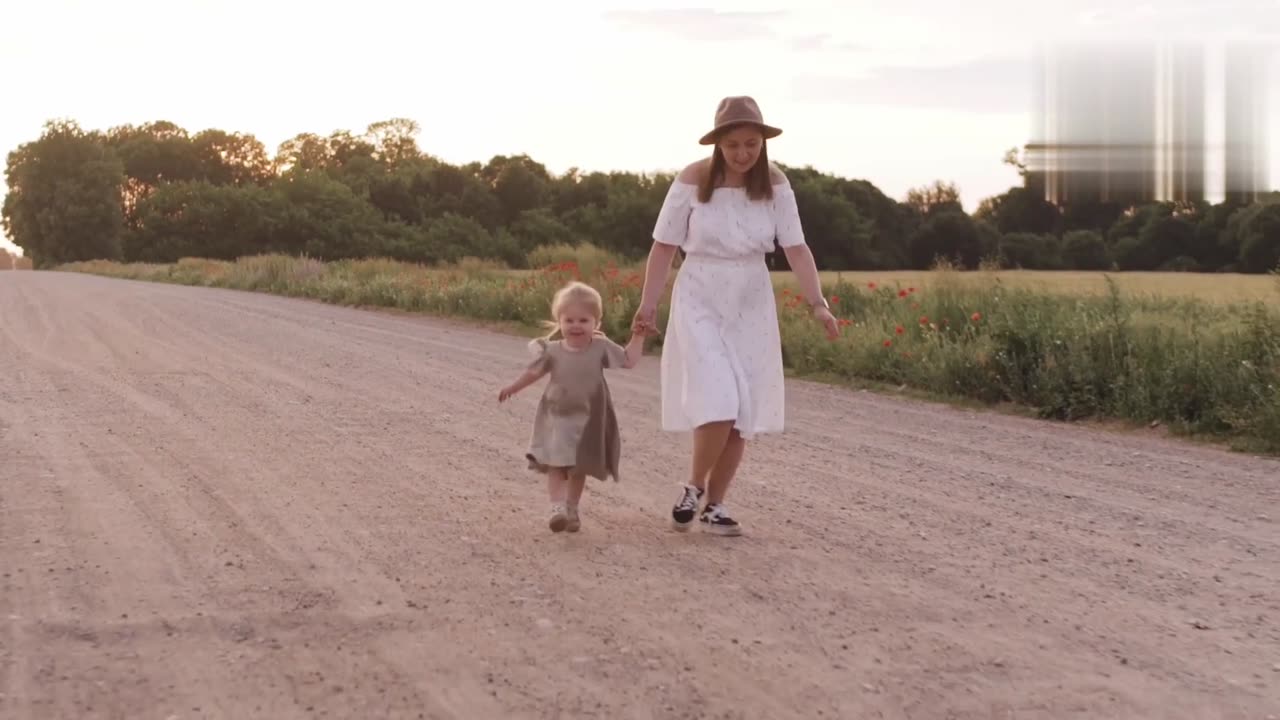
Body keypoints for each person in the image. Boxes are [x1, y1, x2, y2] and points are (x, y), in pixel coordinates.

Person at [631, 95, 840, 537]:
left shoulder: (777, 184)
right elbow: (664, 246)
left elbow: (796, 247)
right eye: (733, 146)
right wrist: (648, 304)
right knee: (719, 400)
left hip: (751, 297)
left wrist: (818, 303)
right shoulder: (693, 179)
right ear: (717, 145)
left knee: (743, 408)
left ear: (763, 141)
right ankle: (692, 487)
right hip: (700, 293)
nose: (743, 154)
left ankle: (715, 505)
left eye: (751, 144)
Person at [499, 280, 646, 533]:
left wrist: (639, 335)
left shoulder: (600, 347)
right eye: (569, 320)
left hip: (589, 419)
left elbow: (629, 360)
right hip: (558, 416)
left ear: (596, 323)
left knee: (579, 467)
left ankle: (572, 508)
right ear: (559, 322)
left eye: (584, 320)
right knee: (557, 463)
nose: (576, 326)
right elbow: (533, 373)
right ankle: (557, 507)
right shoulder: (552, 351)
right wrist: (513, 387)